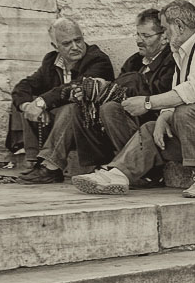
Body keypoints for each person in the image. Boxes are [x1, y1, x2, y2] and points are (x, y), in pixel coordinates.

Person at [72, 0, 195, 198]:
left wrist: (148, 102)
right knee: (151, 128)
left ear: (178, 25)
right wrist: (164, 116)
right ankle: (118, 174)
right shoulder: (182, 52)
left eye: (165, 29)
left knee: (187, 112)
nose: (165, 35)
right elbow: (180, 92)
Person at [71, 9, 177, 171]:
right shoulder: (135, 61)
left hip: (154, 121)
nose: (138, 41)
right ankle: (97, 166)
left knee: (111, 108)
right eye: (137, 35)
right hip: (129, 119)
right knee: (83, 105)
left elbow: (160, 95)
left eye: (145, 36)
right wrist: (99, 88)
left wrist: (113, 89)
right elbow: (117, 90)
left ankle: (141, 170)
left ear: (163, 37)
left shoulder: (172, 61)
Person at [8, 18, 112, 181]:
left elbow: (76, 87)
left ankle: (51, 167)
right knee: (27, 102)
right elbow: (24, 86)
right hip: (58, 125)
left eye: (78, 40)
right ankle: (34, 161)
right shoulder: (51, 61)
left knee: (71, 106)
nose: (75, 47)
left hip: (90, 127)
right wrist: (28, 105)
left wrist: (42, 103)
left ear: (83, 37)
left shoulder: (97, 59)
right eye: (67, 43)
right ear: (55, 46)